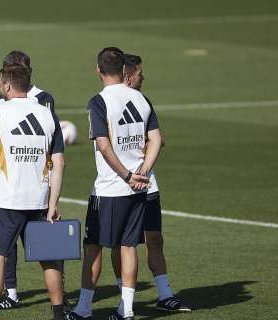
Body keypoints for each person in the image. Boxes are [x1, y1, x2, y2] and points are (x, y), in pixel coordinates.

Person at [70, 47, 162, 320]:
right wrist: (142, 171)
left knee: (93, 247)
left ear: (98, 70)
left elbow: (103, 145)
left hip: (110, 188)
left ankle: (84, 308)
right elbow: (157, 139)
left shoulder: (99, 102)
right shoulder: (141, 99)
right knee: (128, 246)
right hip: (138, 188)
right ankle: (127, 309)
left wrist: (125, 174)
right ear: (124, 69)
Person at [0, 62, 67, 320]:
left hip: (6, 199)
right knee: (49, 260)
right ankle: (59, 313)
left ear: (5, 85)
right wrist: (52, 204)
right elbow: (59, 162)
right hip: (39, 200)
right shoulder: (47, 114)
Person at [109, 54, 191, 312]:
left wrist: (143, 164)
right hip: (119, 186)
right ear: (128, 75)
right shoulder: (108, 103)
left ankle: (165, 295)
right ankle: (126, 296)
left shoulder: (143, 101)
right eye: (140, 72)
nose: (144, 77)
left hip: (148, 184)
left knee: (154, 238)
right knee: (121, 243)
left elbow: (159, 139)